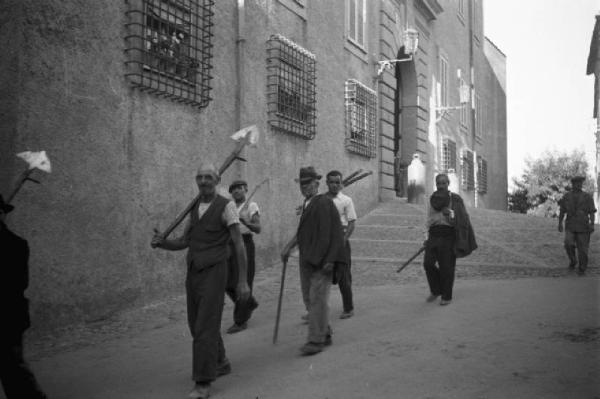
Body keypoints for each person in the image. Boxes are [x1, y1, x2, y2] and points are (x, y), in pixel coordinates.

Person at [151, 163, 250, 399]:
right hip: (194, 271)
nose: (203, 181)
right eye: (199, 177)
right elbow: (185, 241)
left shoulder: (226, 207)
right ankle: (220, 361)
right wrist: (162, 243)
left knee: (205, 326)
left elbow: (238, 244)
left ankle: (203, 383)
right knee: (196, 324)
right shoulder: (194, 207)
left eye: (208, 177)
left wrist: (243, 281)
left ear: (217, 180)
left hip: (216, 270)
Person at [281, 166, 345, 356]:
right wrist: (289, 247)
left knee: (317, 300)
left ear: (317, 184)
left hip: (321, 261)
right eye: (302, 184)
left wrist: (331, 260)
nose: (304, 187)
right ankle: (324, 333)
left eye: (308, 183)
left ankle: (315, 341)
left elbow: (333, 234)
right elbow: (302, 232)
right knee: (310, 299)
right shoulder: (308, 203)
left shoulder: (323, 203)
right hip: (307, 259)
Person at [0, 195, 47, 399]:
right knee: (14, 371)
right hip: (11, 316)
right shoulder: (15, 244)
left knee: (14, 372)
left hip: (6, 316)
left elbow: (17, 284)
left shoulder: (14, 245)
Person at [423, 174, 477, 306]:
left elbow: (461, 220)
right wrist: (425, 237)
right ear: (436, 184)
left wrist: (450, 215)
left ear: (448, 184)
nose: (441, 185)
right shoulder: (432, 199)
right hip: (433, 234)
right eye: (438, 183)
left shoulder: (456, 199)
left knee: (446, 267)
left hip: (448, 236)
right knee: (428, 263)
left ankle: (446, 296)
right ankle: (436, 290)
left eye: (443, 183)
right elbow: (428, 219)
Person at [225, 180, 260, 334]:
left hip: (245, 243)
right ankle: (249, 302)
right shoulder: (230, 207)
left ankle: (240, 321)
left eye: (239, 188)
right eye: (233, 190)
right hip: (230, 244)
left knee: (244, 280)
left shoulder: (251, 205)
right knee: (227, 281)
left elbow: (258, 228)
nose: (236, 191)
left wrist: (246, 222)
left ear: (245, 189)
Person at [325, 170, 357, 319]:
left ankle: (348, 307)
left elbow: (351, 223)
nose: (334, 185)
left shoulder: (346, 200)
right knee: (321, 275)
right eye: (331, 182)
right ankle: (316, 308)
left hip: (341, 241)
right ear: (327, 183)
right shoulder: (321, 200)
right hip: (325, 242)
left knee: (343, 275)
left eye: (337, 182)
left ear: (341, 183)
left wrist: (342, 241)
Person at [558, 176, 596, 275]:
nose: (579, 185)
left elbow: (592, 211)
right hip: (570, 224)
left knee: (583, 249)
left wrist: (592, 224)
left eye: (580, 183)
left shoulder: (587, 196)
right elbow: (562, 210)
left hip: (583, 226)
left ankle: (582, 268)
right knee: (568, 243)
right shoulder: (566, 196)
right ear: (573, 184)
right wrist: (560, 223)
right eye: (576, 183)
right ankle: (573, 260)